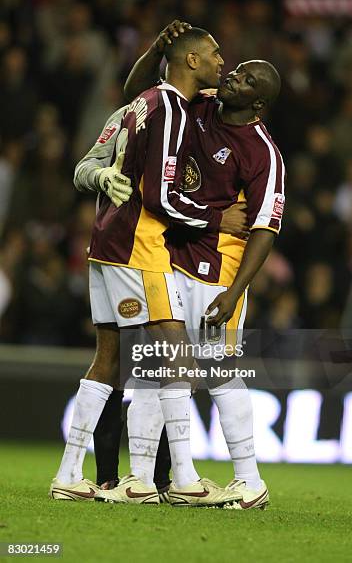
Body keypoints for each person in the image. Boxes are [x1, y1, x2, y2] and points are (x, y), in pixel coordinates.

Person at [88, 21, 284, 509]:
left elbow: (264, 227)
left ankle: (250, 480)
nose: (234, 77)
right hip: (174, 254)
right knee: (158, 369)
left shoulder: (263, 152)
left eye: (247, 81)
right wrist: (158, 47)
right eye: (236, 71)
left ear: (258, 102)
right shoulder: (197, 104)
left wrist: (236, 291)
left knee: (219, 371)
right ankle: (149, 479)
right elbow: (137, 99)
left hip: (220, 270)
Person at [50, 25, 247, 508]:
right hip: (139, 246)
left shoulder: (144, 103)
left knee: (113, 361)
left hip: (106, 241)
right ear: (192, 62)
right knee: (174, 358)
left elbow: (132, 93)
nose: (223, 60)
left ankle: (71, 473)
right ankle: (176, 480)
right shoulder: (172, 110)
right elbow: (160, 195)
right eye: (215, 53)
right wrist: (214, 218)